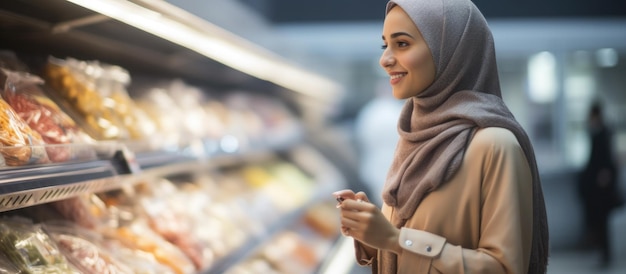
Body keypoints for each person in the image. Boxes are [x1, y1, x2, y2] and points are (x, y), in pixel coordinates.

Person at [333, 0, 550, 273]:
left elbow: (504, 268)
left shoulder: (495, 144)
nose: (385, 59)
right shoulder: (414, 136)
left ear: (449, 50)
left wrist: (395, 239)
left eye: (402, 44)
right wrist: (372, 232)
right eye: (384, 45)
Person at [577, 101, 621, 267]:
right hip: (601, 188)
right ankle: (603, 254)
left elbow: (604, 162)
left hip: (602, 189)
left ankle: (605, 255)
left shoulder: (601, 135)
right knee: (601, 223)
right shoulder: (603, 133)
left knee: (602, 222)